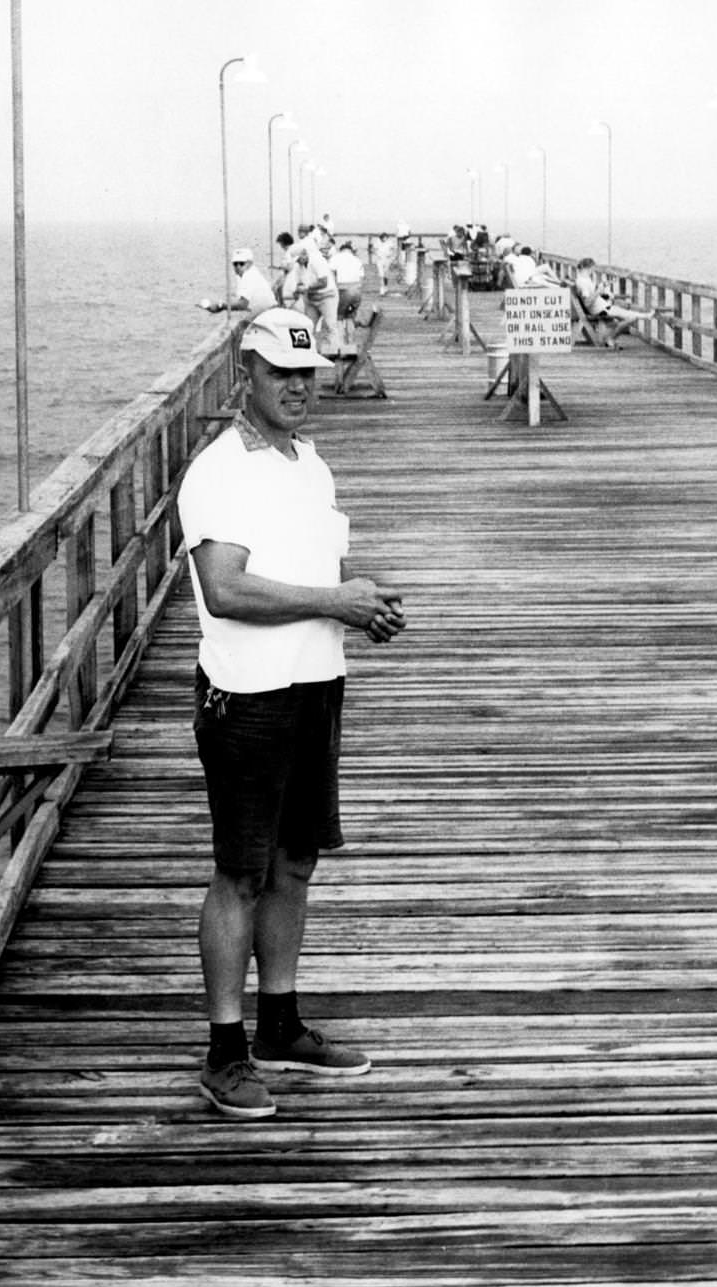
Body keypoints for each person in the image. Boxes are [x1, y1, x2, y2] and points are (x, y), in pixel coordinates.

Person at [177, 307, 407, 1119]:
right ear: (247, 373)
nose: (298, 389)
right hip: (247, 695)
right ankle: (224, 1051)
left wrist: (362, 599)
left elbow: (316, 570)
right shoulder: (218, 471)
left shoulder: (310, 463)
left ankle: (279, 1022)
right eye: (280, 375)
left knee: (296, 862)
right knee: (240, 871)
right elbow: (226, 589)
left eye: (307, 374)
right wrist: (331, 599)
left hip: (316, 685)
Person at [574, 258, 658, 348]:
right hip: (601, 310)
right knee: (631, 317)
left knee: (629, 316)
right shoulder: (582, 282)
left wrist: (603, 287)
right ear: (588, 267)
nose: (593, 271)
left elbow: (591, 294)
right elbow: (587, 302)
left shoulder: (584, 279)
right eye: (592, 268)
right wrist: (598, 291)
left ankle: (646, 316)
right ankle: (610, 338)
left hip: (603, 306)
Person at [200, 248, 276, 316]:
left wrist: (221, 305)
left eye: (241, 263)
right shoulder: (252, 272)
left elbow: (242, 305)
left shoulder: (248, 276)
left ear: (250, 263)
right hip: (266, 311)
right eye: (235, 264)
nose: (238, 267)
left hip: (266, 314)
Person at [327, 240, 366, 343]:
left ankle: (341, 343)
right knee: (350, 317)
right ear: (350, 250)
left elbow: (330, 274)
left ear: (341, 250)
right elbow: (361, 279)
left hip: (343, 290)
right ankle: (351, 342)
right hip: (357, 292)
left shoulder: (335, 258)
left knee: (339, 317)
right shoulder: (357, 260)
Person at [372, 232, 394, 296]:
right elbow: (373, 249)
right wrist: (377, 254)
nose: (384, 239)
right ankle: (382, 290)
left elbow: (393, 249)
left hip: (387, 260)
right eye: (383, 238)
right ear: (381, 238)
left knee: (386, 275)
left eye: (385, 238)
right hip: (380, 260)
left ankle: (386, 288)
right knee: (381, 275)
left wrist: (391, 256)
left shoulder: (390, 242)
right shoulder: (377, 242)